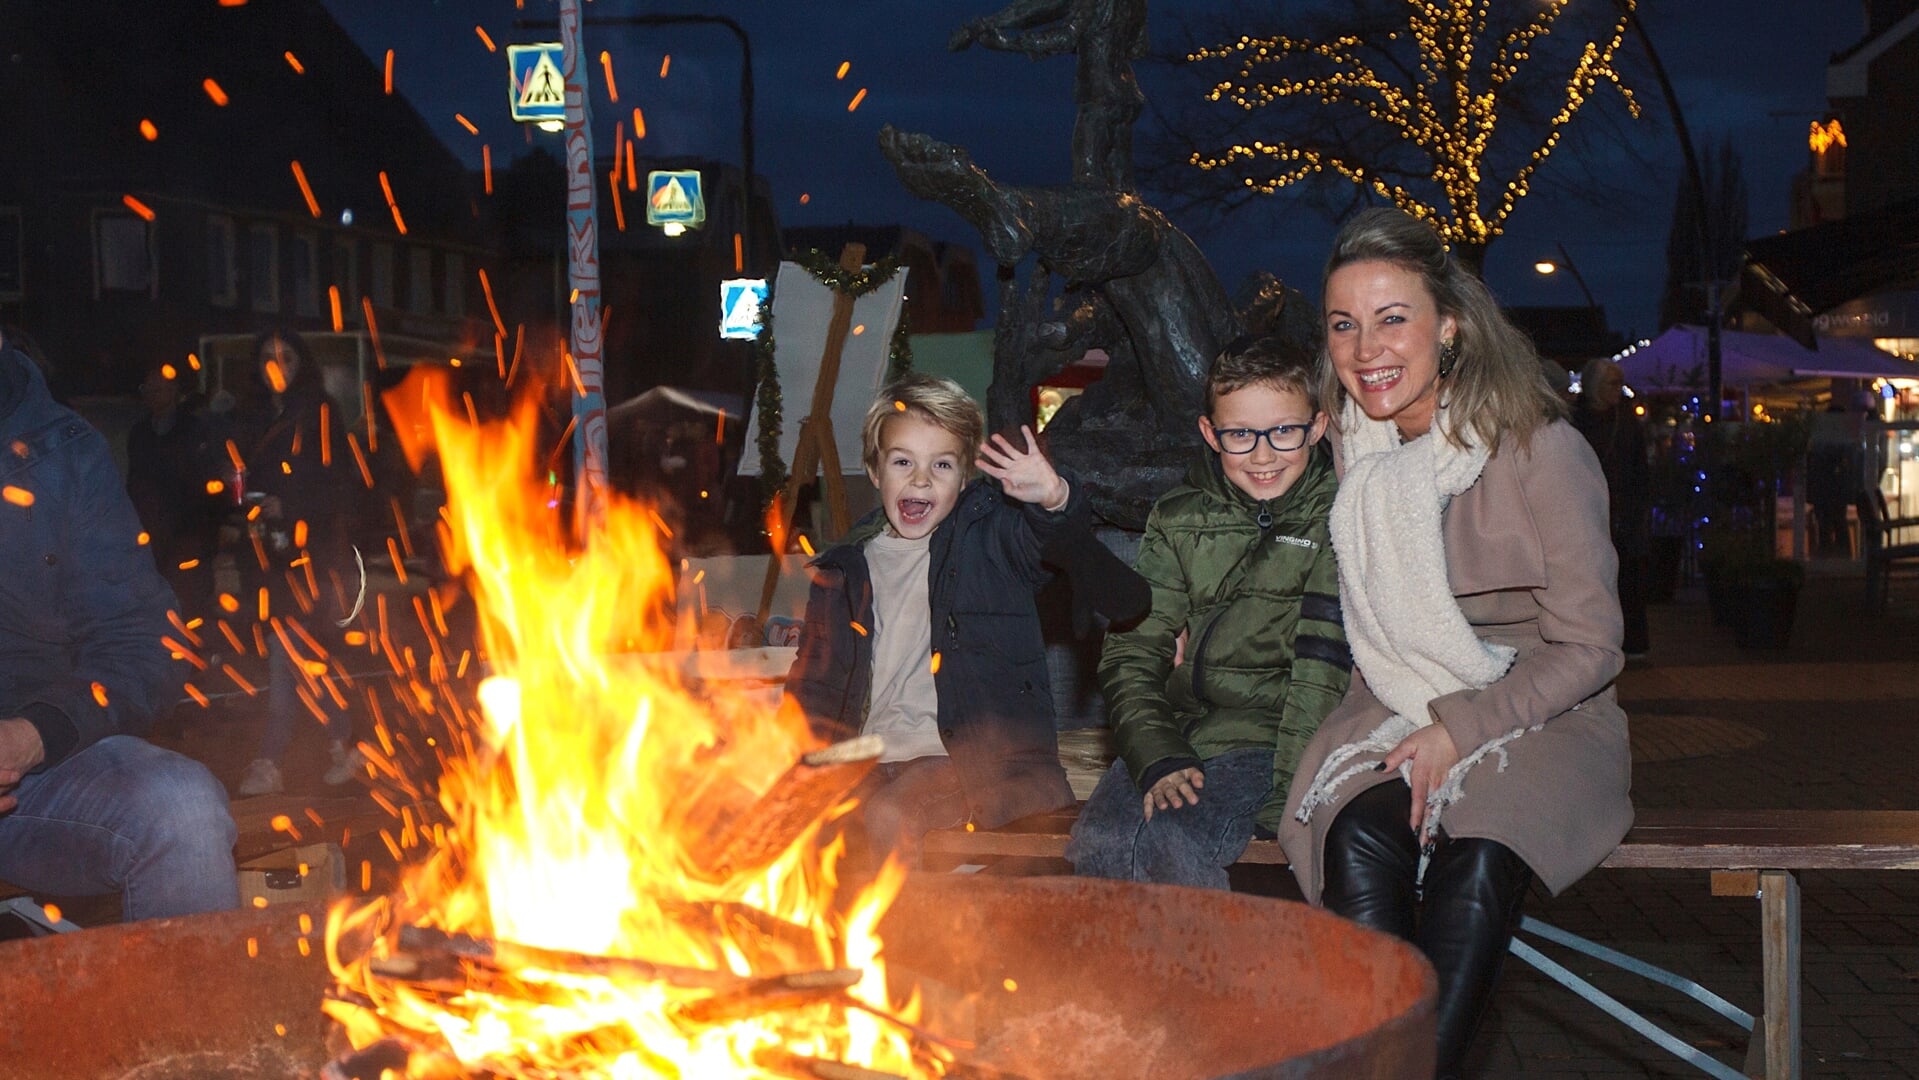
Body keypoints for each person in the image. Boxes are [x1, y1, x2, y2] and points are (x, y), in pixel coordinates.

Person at [1278, 209, 1631, 1080]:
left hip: (1547, 707)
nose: (1366, 348)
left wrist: (1461, 727)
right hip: (1392, 703)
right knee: (1356, 832)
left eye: (1392, 317)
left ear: (1451, 326)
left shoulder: (1539, 449)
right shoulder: (1350, 464)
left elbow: (1591, 647)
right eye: (1343, 324)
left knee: (1479, 855)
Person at [1068, 335, 1349, 888]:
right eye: (1240, 434)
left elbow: (1322, 675)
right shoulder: (1178, 518)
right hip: (1179, 732)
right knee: (1099, 845)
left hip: (1270, 744)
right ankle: (1102, 977)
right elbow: (1133, 647)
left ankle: (1205, 974)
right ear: (1209, 434)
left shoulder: (1338, 517)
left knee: (1175, 844)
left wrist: (1288, 803)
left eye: (1284, 431)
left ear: (1317, 428)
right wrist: (1155, 753)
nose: (1263, 454)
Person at [784, 374, 1088, 868]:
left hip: (970, 763)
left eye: (941, 465)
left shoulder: (987, 548)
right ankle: (820, 943)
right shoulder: (843, 570)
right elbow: (815, 686)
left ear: (966, 479)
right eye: (903, 461)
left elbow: (1044, 542)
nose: (920, 479)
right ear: (875, 471)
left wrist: (1052, 498)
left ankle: (910, 945)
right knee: (790, 818)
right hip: (867, 759)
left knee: (889, 816)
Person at [0, 328, 238, 919]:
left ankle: (190, 1012)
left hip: (33, 777)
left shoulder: (62, 450)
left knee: (181, 809)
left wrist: (31, 736)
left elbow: (140, 640)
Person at [230, 329, 362, 797]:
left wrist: (291, 505)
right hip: (269, 558)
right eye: (266, 358)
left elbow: (339, 484)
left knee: (292, 655)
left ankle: (272, 758)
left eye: (285, 359)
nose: (275, 367)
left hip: (310, 557)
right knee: (296, 659)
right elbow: (242, 482)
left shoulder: (318, 412)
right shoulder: (253, 419)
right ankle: (344, 743)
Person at [126, 362, 224, 625]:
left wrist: (206, 533)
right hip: (152, 540)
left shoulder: (195, 430)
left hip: (188, 537)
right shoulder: (140, 434)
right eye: (149, 388)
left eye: (161, 387)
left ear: (175, 390)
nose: (154, 393)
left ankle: (195, 659)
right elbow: (135, 483)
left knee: (191, 608)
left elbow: (208, 485)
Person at [1572, 358, 1652, 657]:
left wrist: (1636, 510)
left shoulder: (1626, 422)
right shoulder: (1575, 420)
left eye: (1620, 383)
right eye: (1612, 383)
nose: (1618, 390)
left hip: (1621, 512)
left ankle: (1631, 642)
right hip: (1586, 512)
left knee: (1627, 580)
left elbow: (1639, 470)